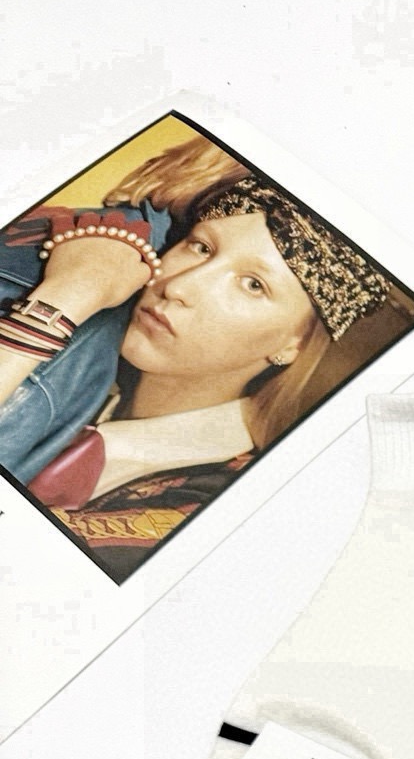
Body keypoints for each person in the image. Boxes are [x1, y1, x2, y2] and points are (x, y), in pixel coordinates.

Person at [0, 152, 390, 577]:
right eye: (201, 247)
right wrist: (73, 290)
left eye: (253, 285)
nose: (180, 287)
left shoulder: (221, 504)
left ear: (292, 345)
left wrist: (52, 312)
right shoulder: (87, 359)